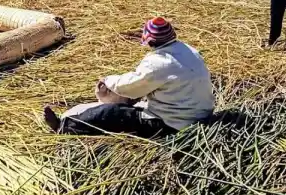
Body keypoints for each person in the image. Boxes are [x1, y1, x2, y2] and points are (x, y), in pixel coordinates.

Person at [42, 17, 215, 138]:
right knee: (137, 102)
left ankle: (63, 126)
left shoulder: (159, 62)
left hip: (173, 124)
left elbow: (130, 87)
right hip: (201, 114)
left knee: (110, 114)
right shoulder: (190, 50)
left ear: (150, 42)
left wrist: (108, 80)